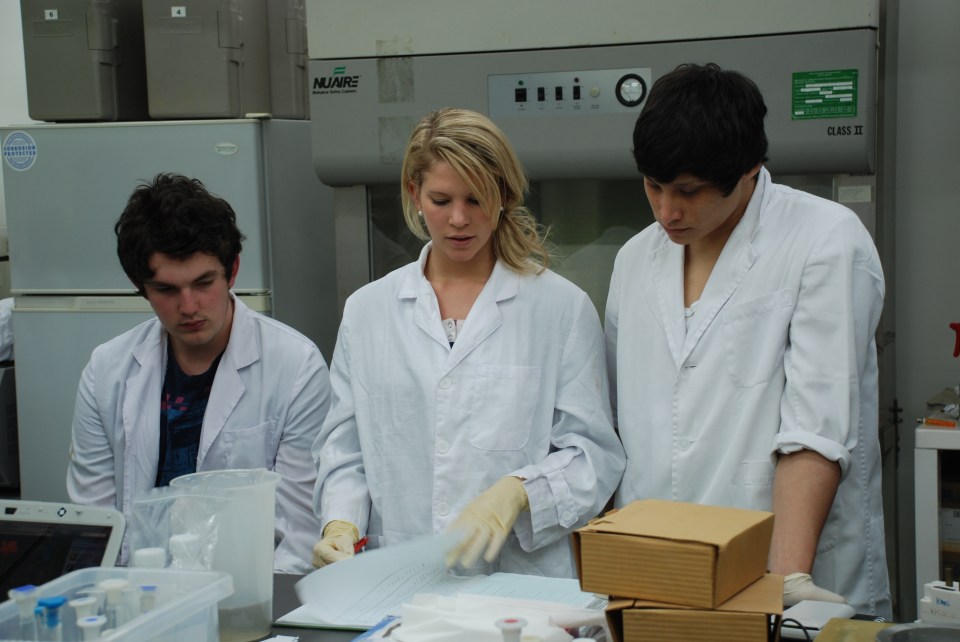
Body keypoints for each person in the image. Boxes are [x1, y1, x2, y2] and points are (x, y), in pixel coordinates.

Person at [606, 63, 891, 617]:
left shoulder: (823, 240)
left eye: (688, 192)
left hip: (783, 567)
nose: (667, 211)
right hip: (662, 567)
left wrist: (786, 581)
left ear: (749, 170)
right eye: (653, 187)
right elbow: (627, 421)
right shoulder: (634, 258)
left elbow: (816, 423)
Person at [311, 107, 625, 577]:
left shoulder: (560, 308)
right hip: (398, 579)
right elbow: (345, 450)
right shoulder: (368, 311)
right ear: (414, 194)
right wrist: (339, 523)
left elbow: (593, 457)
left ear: (503, 196)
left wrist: (519, 492)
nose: (459, 219)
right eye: (441, 200)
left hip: (521, 588)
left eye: (476, 200)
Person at [66, 173, 329, 573]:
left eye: (203, 283)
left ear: (232, 270)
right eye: (167, 290)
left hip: (249, 599)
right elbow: (93, 527)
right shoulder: (107, 370)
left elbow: (299, 533)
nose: (189, 306)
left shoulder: (295, 366)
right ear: (140, 286)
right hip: (141, 600)